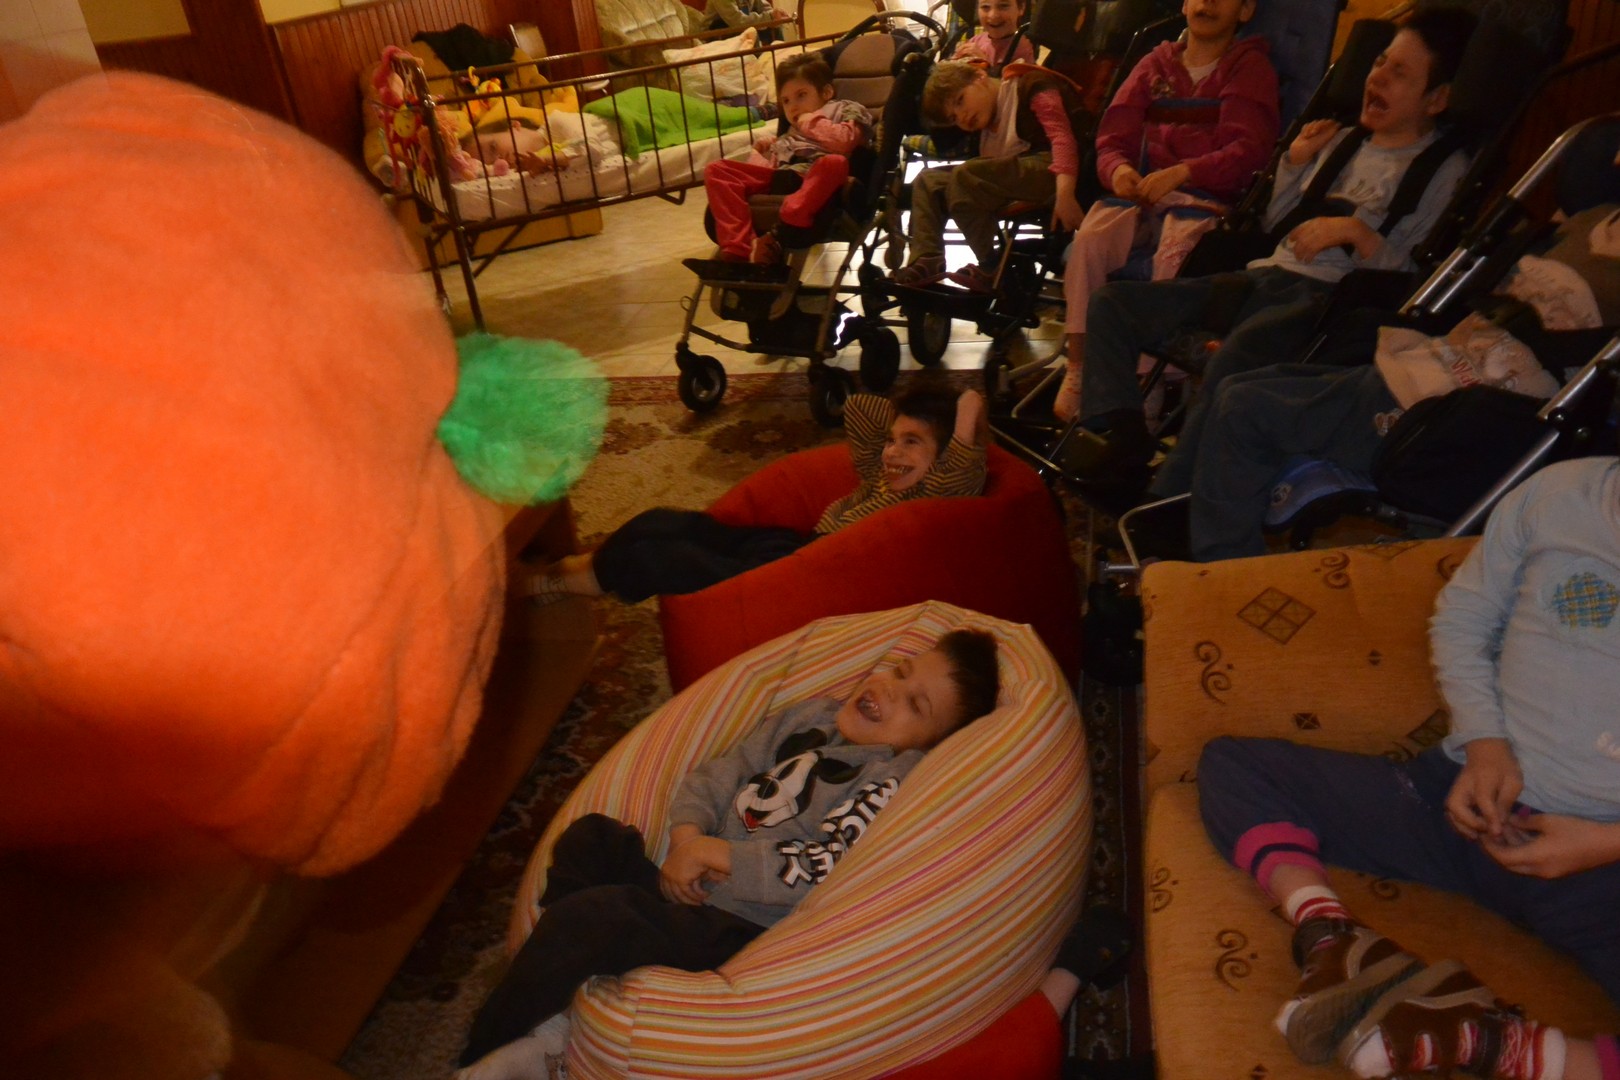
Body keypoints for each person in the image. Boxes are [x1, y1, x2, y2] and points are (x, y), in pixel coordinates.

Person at [1197, 456, 1620, 1079]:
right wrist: (1483, 742)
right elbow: (1464, 618)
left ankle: (1487, 1043)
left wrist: (1604, 844)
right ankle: (1332, 940)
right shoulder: (1558, 493)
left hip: (1597, 869)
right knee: (1235, 766)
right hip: (1453, 798)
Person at [452, 627, 1003, 1080]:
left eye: (916, 705)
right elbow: (724, 771)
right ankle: (555, 1007)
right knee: (592, 837)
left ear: (928, 747)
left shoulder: (886, 778)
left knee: (597, 916)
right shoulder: (810, 718)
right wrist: (687, 837)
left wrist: (721, 857)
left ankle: (492, 1053)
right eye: (901, 672)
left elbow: (819, 865)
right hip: (686, 881)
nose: (890, 691)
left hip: (737, 925)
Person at [1067, 7, 1476, 496]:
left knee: (1236, 356)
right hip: (1264, 274)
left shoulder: (1442, 170)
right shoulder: (1343, 143)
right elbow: (1275, 223)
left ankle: (1169, 497)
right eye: (1379, 62)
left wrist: (1358, 234)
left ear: (1437, 98)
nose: (1378, 77)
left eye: (1400, 73)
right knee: (1112, 305)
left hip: (1323, 298)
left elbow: (1412, 278)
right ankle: (1121, 445)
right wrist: (1296, 163)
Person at [1182, 202, 1620, 560]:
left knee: (1245, 407)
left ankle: (1219, 567)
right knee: (1240, 382)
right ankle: (1174, 509)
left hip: (1452, 411)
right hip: (1425, 361)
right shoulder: (1588, 218)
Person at [519, 386, 989, 604]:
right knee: (659, 520)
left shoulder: (933, 495)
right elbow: (860, 410)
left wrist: (962, 420)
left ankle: (559, 583)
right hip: (796, 547)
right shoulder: (885, 477)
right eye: (893, 440)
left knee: (656, 557)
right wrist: (907, 419)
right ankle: (578, 569)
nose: (892, 452)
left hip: (813, 578)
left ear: (948, 458)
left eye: (912, 443)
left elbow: (965, 444)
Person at [1053, 0, 1280, 422]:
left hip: (1204, 200)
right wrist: (1118, 170)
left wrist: (1184, 172)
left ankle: (1149, 377)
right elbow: (1111, 139)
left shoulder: (1249, 68)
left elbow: (1250, 151)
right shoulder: (1153, 65)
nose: (1207, 2)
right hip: (1142, 195)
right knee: (1091, 237)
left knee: (1175, 251)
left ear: (1246, 10)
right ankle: (1080, 364)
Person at [888, 59, 1084, 293]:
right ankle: (927, 258)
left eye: (960, 100)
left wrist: (1065, 194)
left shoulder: (1030, 85)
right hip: (1010, 178)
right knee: (928, 180)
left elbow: (1062, 138)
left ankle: (992, 264)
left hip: (1054, 169)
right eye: (953, 117)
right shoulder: (983, 128)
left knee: (967, 174)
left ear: (979, 77)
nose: (962, 117)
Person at [701, 53, 874, 265]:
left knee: (834, 163)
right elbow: (765, 177)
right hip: (786, 178)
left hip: (821, 178)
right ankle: (739, 249)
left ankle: (791, 218)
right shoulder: (788, 135)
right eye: (786, 101)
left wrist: (810, 122)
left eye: (801, 95)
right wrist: (759, 154)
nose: (793, 106)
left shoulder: (845, 108)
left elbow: (845, 141)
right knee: (716, 170)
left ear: (826, 92)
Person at [953, 0, 1037, 71]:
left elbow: (1014, 85)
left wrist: (985, 63)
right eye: (985, 7)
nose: (993, 15)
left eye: (1003, 6)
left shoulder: (1022, 49)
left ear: (1021, 8)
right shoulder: (976, 40)